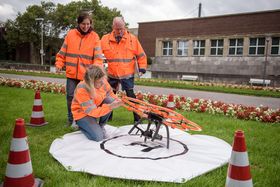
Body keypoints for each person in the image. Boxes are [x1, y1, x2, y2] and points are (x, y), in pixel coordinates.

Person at [55, 12, 103, 127]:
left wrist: (94, 72)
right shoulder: (70, 34)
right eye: (83, 24)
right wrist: (59, 64)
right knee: (70, 97)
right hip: (71, 74)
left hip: (86, 76)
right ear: (78, 23)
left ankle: (88, 120)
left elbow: (98, 57)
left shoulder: (95, 37)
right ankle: (71, 120)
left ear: (91, 24)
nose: (86, 26)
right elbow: (62, 53)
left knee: (87, 99)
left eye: (88, 24)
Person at [101, 17, 147, 123]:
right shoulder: (105, 39)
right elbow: (97, 53)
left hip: (127, 74)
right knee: (109, 96)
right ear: (113, 27)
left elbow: (141, 55)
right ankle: (108, 117)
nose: (120, 31)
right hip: (112, 74)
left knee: (131, 96)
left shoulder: (132, 39)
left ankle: (137, 118)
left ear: (124, 26)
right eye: (117, 29)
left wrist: (142, 68)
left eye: (122, 28)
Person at [71, 65, 123, 141]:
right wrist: (110, 107)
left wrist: (118, 101)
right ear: (91, 82)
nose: (103, 83)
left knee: (110, 100)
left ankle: (101, 125)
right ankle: (79, 124)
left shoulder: (102, 81)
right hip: (82, 114)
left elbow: (110, 94)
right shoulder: (82, 89)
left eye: (103, 80)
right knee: (98, 137)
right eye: (99, 82)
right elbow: (91, 111)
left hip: (94, 109)